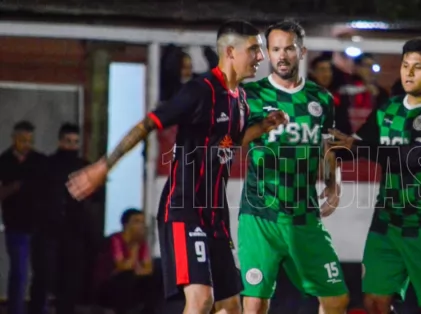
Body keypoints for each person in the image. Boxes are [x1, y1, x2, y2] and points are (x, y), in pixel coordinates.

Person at [66, 20, 288, 314]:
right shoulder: (199, 91)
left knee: (231, 307)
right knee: (200, 300)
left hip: (216, 216)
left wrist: (261, 127)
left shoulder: (242, 100)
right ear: (230, 52)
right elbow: (148, 123)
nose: (260, 57)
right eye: (254, 50)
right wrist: (104, 166)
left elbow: (228, 142)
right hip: (184, 210)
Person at [329, 38, 421, 314]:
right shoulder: (387, 110)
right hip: (386, 224)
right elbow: (349, 149)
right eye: (405, 66)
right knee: (374, 304)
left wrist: (360, 147)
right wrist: (325, 153)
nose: (409, 72)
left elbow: (413, 158)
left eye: (418, 67)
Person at [239, 20, 349, 314]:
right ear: (268, 54)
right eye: (275, 49)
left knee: (336, 298)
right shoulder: (251, 96)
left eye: (288, 48)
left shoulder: (321, 99)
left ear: (302, 52)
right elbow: (235, 142)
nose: (282, 55)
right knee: (254, 303)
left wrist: (332, 181)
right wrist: (261, 127)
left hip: (303, 214)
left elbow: (325, 144)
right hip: (260, 214)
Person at [30, 123, 93, 314]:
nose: (72, 146)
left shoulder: (83, 166)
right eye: (68, 141)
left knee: (70, 279)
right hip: (48, 229)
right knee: (44, 277)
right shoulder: (47, 165)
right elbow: (38, 196)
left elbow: (93, 196)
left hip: (73, 231)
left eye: (75, 142)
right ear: (60, 141)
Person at [0, 121, 48, 314]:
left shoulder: (39, 161)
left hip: (39, 224)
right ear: (13, 139)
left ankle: (39, 309)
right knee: (19, 273)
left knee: (42, 273)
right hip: (16, 225)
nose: (26, 144)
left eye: (29, 140)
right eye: (22, 140)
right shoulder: (4, 161)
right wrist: (15, 187)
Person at [95, 208, 159, 314]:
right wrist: (134, 248)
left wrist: (138, 269)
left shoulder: (141, 242)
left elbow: (148, 269)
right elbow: (122, 266)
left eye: (142, 222)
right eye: (136, 222)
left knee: (153, 277)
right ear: (126, 225)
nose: (141, 226)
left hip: (133, 282)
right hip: (107, 287)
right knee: (127, 276)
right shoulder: (116, 240)